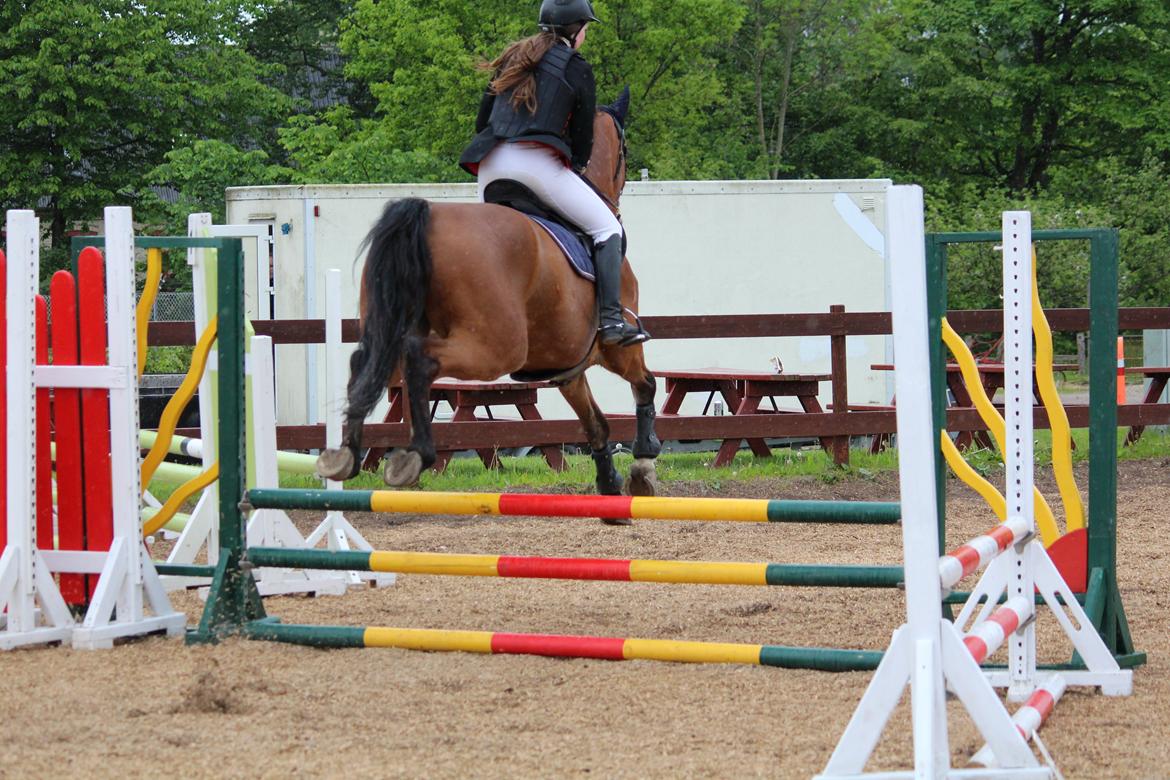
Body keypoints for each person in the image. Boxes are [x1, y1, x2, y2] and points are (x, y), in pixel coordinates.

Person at [459, 0, 649, 347]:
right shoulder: (576, 67)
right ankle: (610, 322)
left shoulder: (514, 58)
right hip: (536, 167)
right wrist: (576, 165)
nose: (586, 35)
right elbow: (582, 136)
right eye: (586, 29)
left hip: (489, 168)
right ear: (575, 31)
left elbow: (481, 121)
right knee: (607, 228)